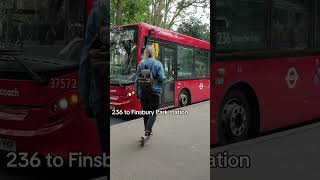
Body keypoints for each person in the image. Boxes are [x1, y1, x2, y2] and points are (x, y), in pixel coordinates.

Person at [135, 45, 165, 140]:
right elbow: (161, 78)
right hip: (154, 92)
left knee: (146, 112)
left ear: (145, 53)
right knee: (153, 112)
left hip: (143, 92)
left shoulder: (140, 64)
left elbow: (136, 80)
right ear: (153, 53)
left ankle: (147, 133)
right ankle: (147, 131)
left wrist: (137, 93)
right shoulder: (157, 63)